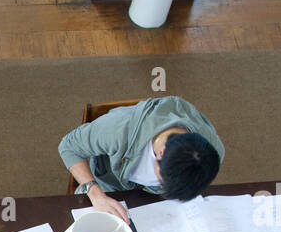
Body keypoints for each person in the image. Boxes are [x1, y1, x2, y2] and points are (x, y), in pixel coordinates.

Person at [57, 96, 224, 224]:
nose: (160, 185)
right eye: (162, 180)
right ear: (162, 151)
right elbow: (68, 146)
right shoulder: (119, 130)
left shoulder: (211, 152)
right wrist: (96, 194)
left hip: (157, 205)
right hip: (107, 190)